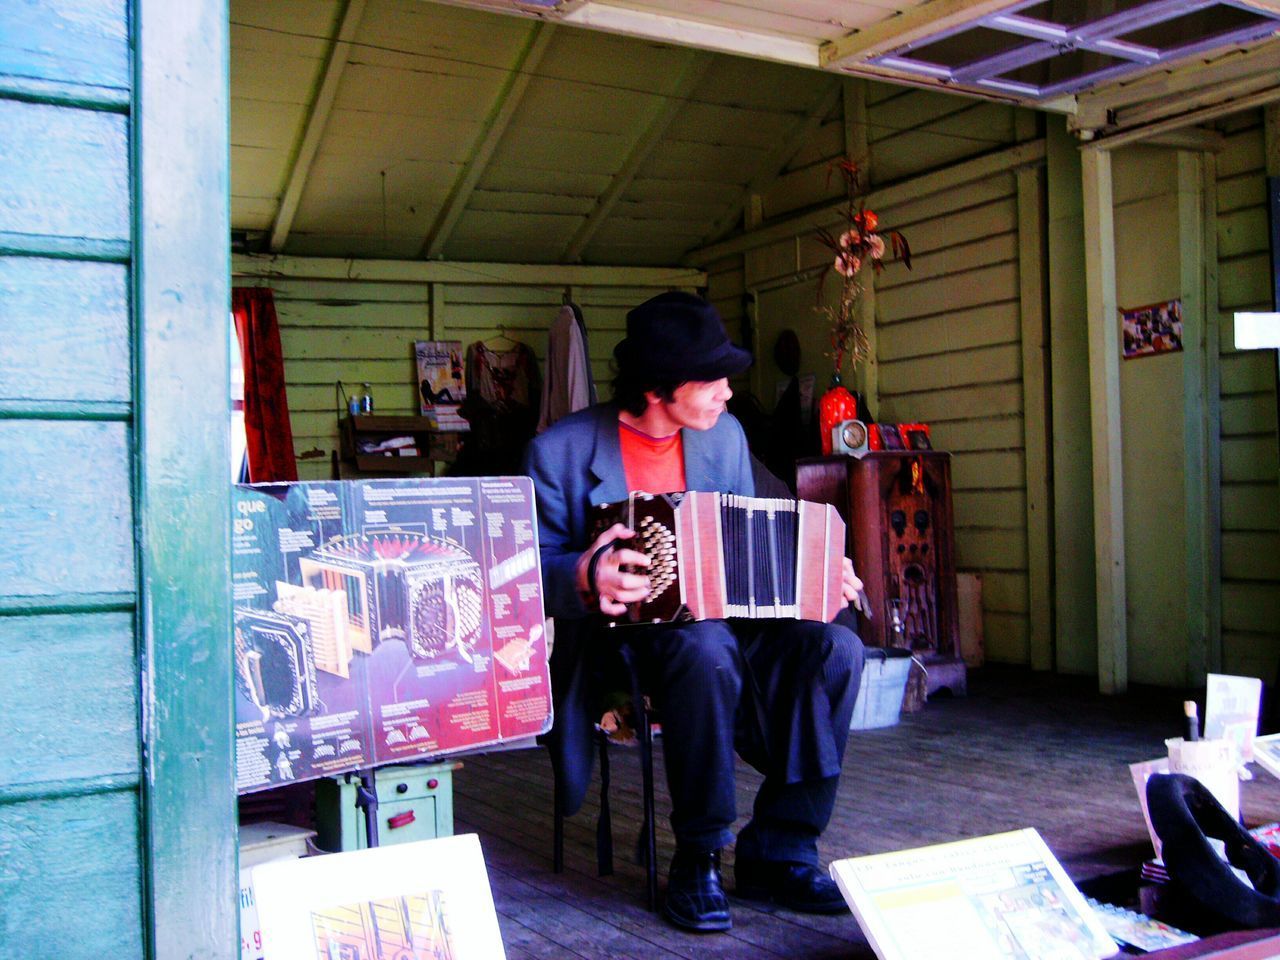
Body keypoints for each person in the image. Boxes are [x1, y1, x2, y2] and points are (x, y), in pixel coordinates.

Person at [523, 290, 866, 933]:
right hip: (622, 643)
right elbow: (522, 571)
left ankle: (780, 849)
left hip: (728, 626)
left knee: (837, 648)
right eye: (712, 380)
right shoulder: (561, 452)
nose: (728, 394)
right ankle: (699, 853)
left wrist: (823, 570)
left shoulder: (726, 438)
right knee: (703, 647)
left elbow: (763, 533)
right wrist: (579, 572)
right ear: (658, 388)